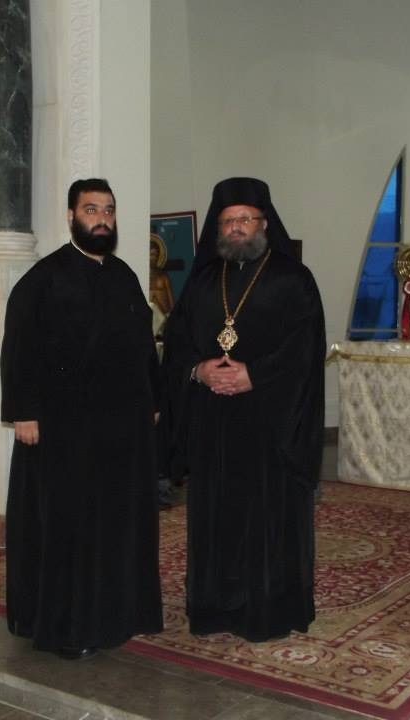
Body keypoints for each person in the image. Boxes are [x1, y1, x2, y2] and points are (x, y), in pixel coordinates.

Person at [0, 178, 164, 659]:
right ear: (71, 216)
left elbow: (143, 346)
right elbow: (19, 349)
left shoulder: (124, 276)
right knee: (70, 528)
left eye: (108, 210)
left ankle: (120, 613)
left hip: (120, 431)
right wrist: (23, 412)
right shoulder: (43, 279)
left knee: (116, 524)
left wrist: (154, 400)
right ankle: (68, 626)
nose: (102, 219)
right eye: (91, 210)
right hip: (62, 430)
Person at [163, 176, 325, 642]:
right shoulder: (203, 282)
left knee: (267, 519)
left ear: (264, 224)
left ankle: (270, 609)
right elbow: (176, 344)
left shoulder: (294, 279)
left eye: (245, 219)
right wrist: (199, 371)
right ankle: (213, 608)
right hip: (213, 422)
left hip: (269, 424)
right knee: (216, 518)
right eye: (228, 220)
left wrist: (256, 374)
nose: (237, 227)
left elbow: (305, 348)